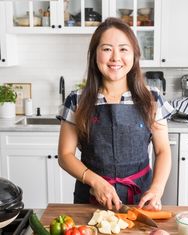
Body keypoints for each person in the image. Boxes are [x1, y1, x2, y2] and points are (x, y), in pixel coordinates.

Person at [57, 17, 174, 211]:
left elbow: (163, 151)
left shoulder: (152, 98)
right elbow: (65, 155)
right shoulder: (76, 100)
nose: (115, 58)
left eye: (123, 49)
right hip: (90, 198)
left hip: (141, 200)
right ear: (94, 54)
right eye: (106, 49)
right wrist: (96, 182)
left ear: (134, 55)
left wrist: (157, 189)